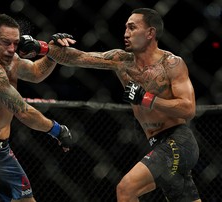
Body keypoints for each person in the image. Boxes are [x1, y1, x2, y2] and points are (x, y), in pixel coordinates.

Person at [45, 8, 201, 202]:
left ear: (150, 33)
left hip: (178, 141)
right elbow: (78, 57)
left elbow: (188, 109)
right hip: (154, 143)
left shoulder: (171, 64)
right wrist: (43, 48)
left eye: (132, 28)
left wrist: (147, 99)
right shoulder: (121, 61)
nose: (125, 33)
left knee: (126, 189)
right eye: (125, 28)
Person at [0, 13, 75, 202]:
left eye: (15, 44)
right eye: (5, 42)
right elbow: (22, 111)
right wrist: (57, 129)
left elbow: (35, 73)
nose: (11, 49)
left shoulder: (12, 61)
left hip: (2, 150)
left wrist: (51, 53)